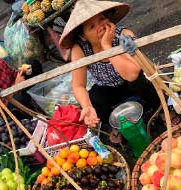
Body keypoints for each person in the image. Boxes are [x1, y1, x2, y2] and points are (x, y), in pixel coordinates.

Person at [59, 0, 161, 142]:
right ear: (83, 36)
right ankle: (116, 125)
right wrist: (87, 106)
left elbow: (132, 74)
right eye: (91, 27)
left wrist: (107, 46)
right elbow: (78, 85)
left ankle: (162, 109)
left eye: (101, 19)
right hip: (108, 87)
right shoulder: (80, 48)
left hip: (132, 83)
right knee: (94, 97)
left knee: (145, 79)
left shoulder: (123, 34)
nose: (100, 26)